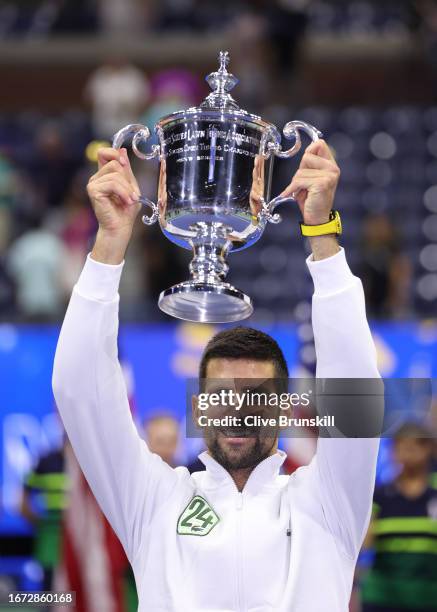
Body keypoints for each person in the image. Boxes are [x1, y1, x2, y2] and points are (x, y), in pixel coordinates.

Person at [52, 139, 381, 611]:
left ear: (285, 407)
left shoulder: (329, 501)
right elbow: (78, 388)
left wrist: (322, 235)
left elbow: (356, 388)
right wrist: (109, 244)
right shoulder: (155, 502)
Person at [360, 422, 437, 612]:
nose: (406, 454)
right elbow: (365, 543)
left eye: (412, 447)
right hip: (382, 597)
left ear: (427, 449)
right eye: (400, 447)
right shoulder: (379, 495)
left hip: (428, 597)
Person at [20, 444, 69, 593]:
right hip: (50, 540)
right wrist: (39, 522)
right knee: (50, 592)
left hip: (77, 541)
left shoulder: (86, 462)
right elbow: (23, 500)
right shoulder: (46, 461)